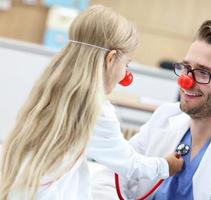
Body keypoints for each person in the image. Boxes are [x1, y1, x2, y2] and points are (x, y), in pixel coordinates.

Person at [0, 5, 183, 200]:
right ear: (111, 59)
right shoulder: (95, 109)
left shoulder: (52, 85)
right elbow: (129, 164)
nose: (125, 74)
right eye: (126, 65)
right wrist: (166, 166)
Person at [91, 20, 211, 200]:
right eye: (186, 67)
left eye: (203, 73)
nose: (186, 81)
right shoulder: (166, 116)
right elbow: (110, 173)